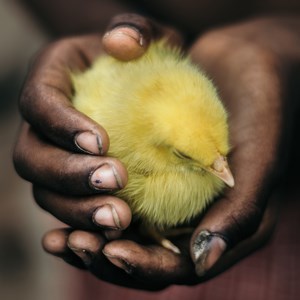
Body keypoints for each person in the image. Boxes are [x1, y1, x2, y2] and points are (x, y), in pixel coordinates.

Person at [14, 0, 300, 298]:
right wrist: (102, 29)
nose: (222, 168)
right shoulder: (123, 155)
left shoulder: (191, 113)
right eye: (186, 155)